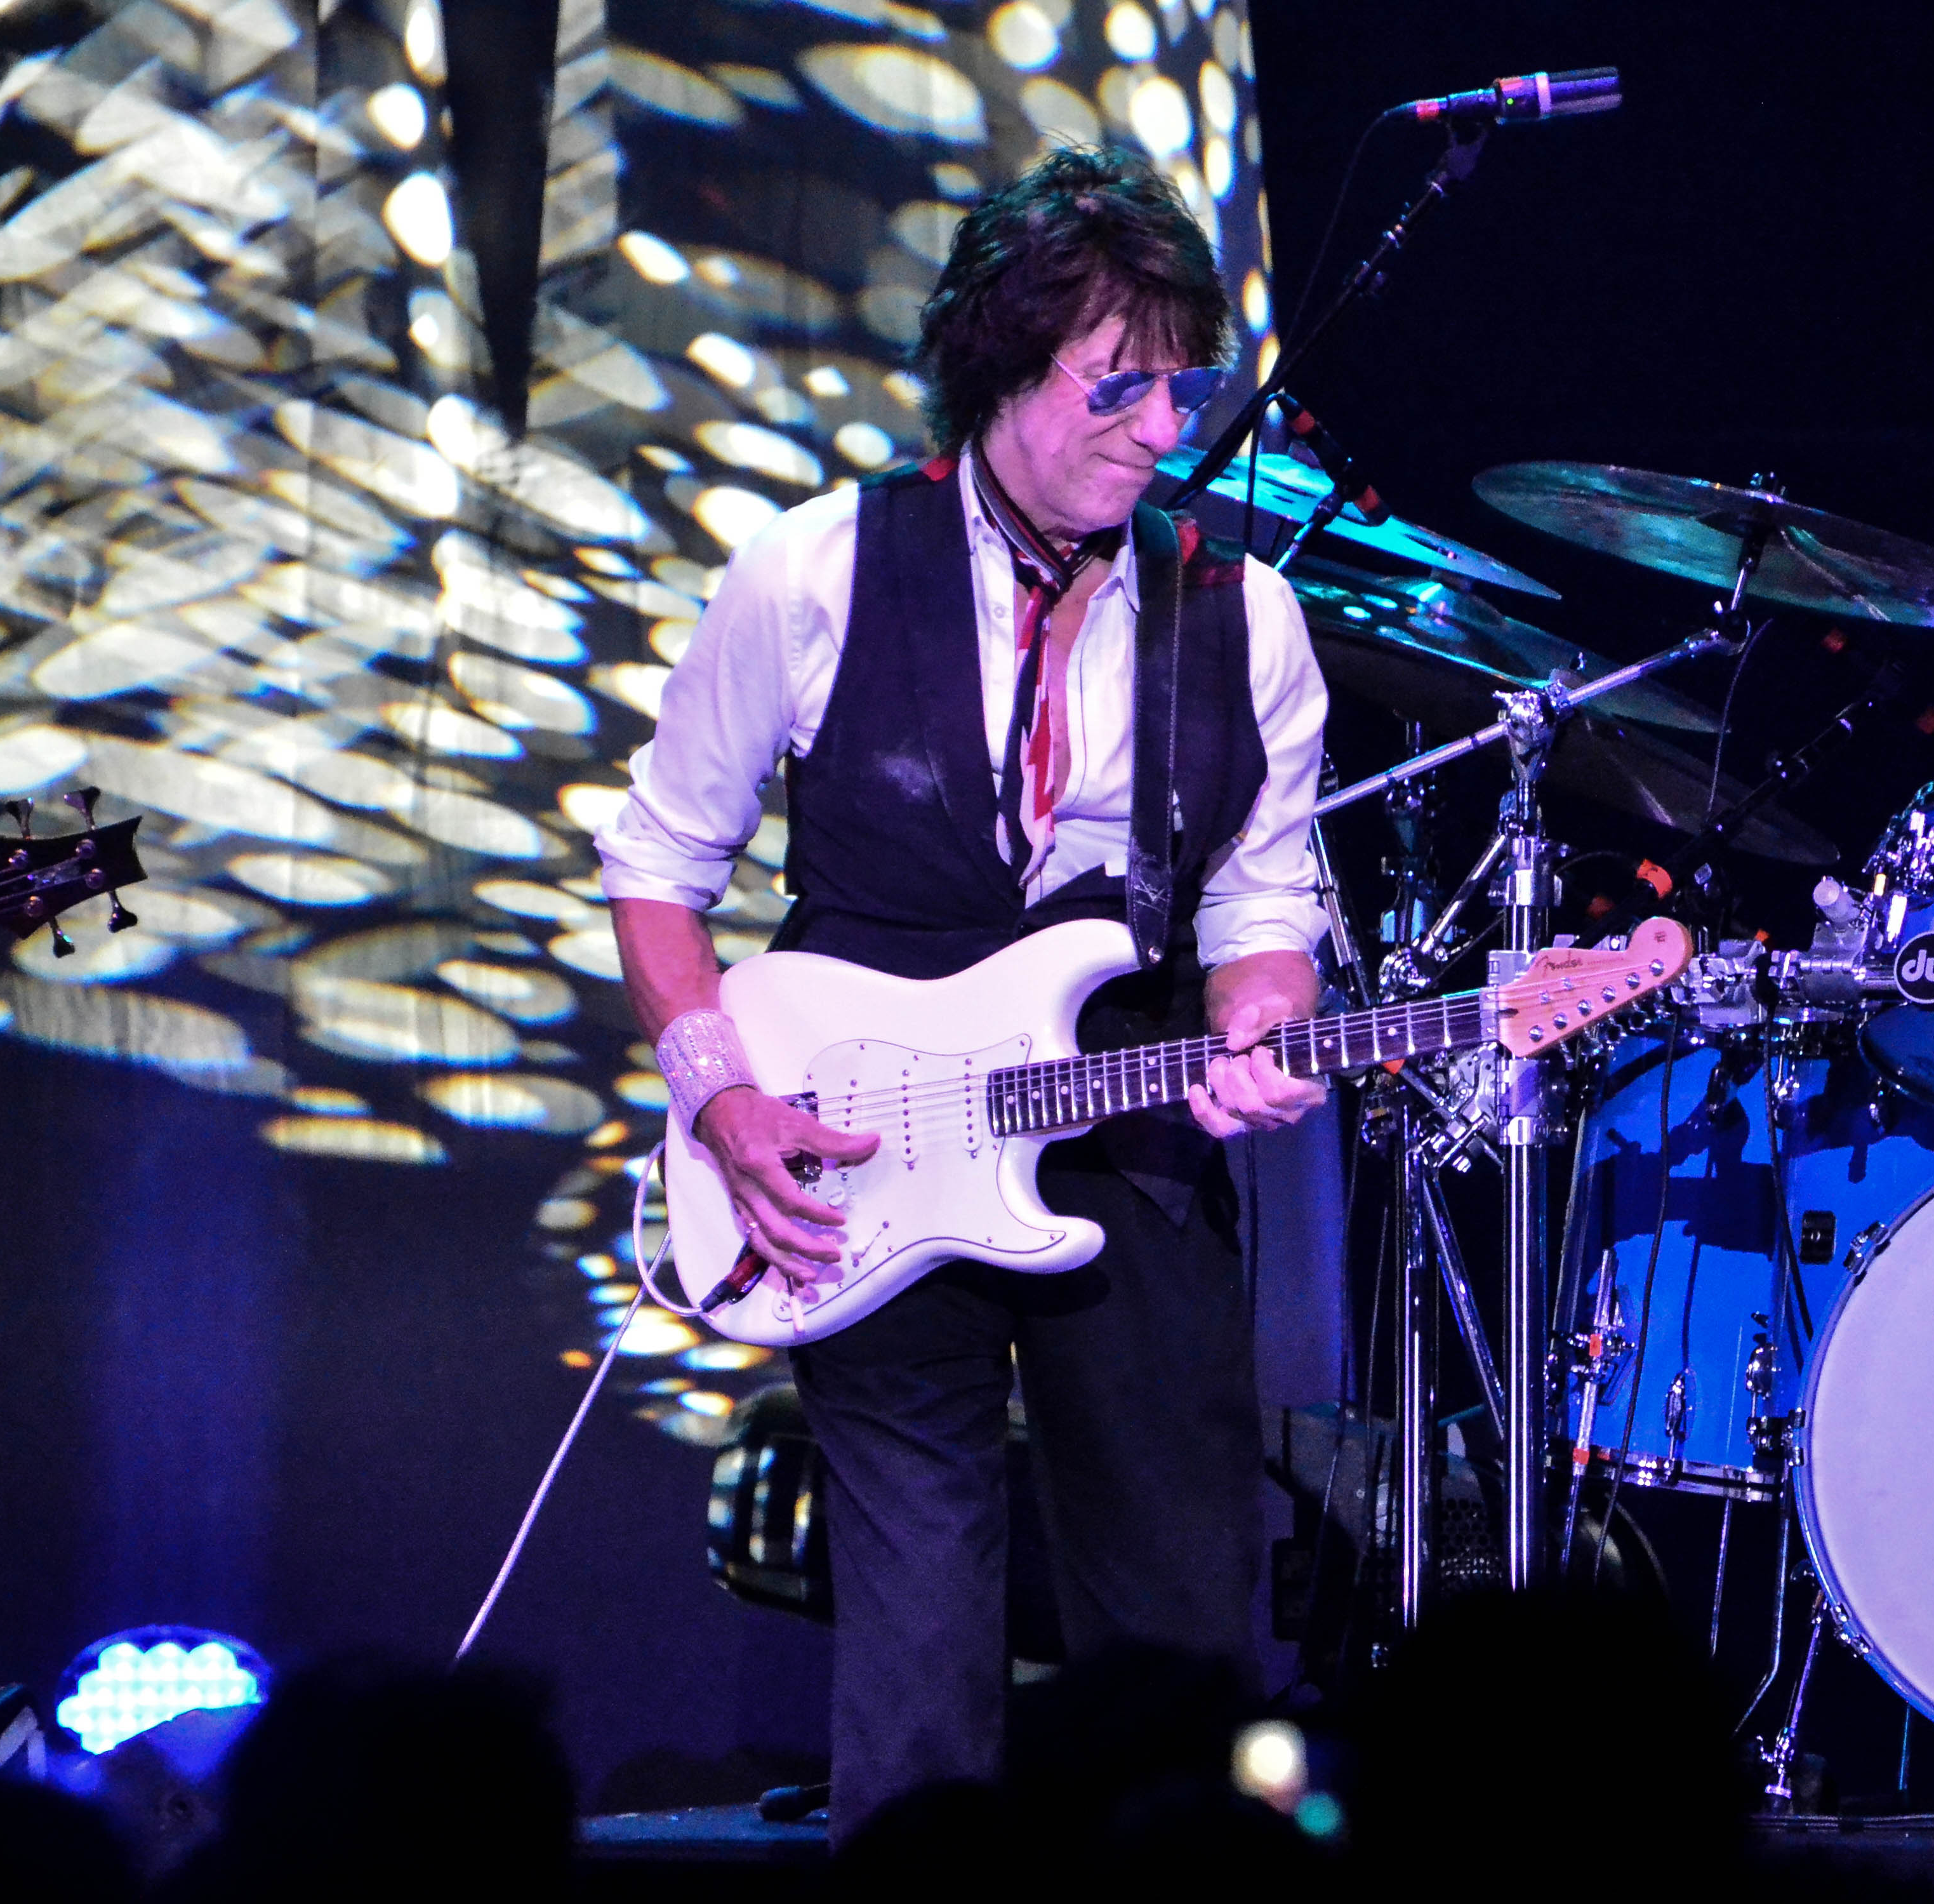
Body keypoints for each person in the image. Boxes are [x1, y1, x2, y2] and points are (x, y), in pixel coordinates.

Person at [596, 146, 1328, 1835]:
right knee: (917, 1629)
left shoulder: (1243, 614)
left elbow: (1260, 898)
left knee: (1174, 1621)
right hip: (854, 1132)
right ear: (999, 361)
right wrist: (722, 1093)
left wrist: (1256, 1031)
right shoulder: (810, 572)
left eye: (1179, 388)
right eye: (1114, 386)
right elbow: (658, 865)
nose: (1160, 429)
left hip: (1123, 1122)